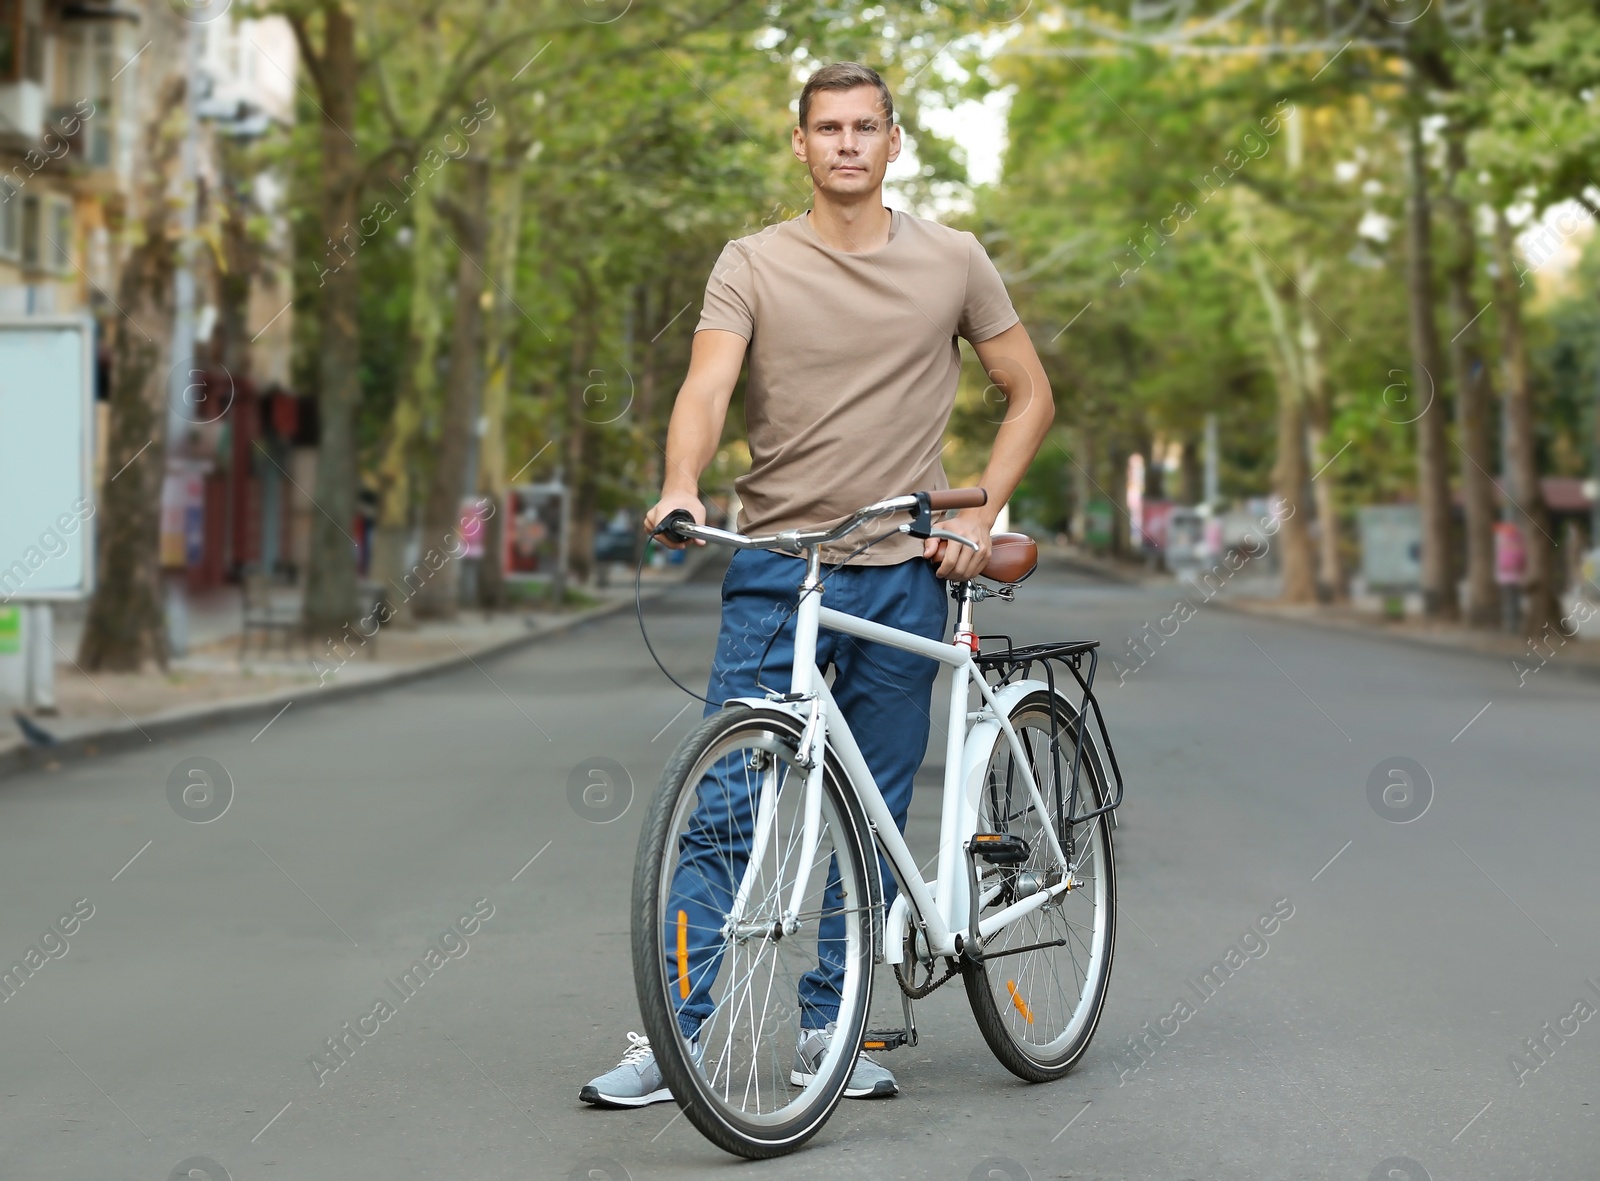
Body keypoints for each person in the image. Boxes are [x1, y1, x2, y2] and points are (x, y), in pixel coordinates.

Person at [580, 61, 1054, 1107]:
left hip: (901, 572)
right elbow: (707, 383)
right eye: (826, 128)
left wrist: (979, 513)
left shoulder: (953, 260)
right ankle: (673, 1034)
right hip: (776, 565)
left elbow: (1029, 392)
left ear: (894, 141)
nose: (845, 143)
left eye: (863, 127)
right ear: (798, 144)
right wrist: (679, 481)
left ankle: (833, 1027)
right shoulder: (750, 262)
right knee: (722, 808)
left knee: (872, 813)